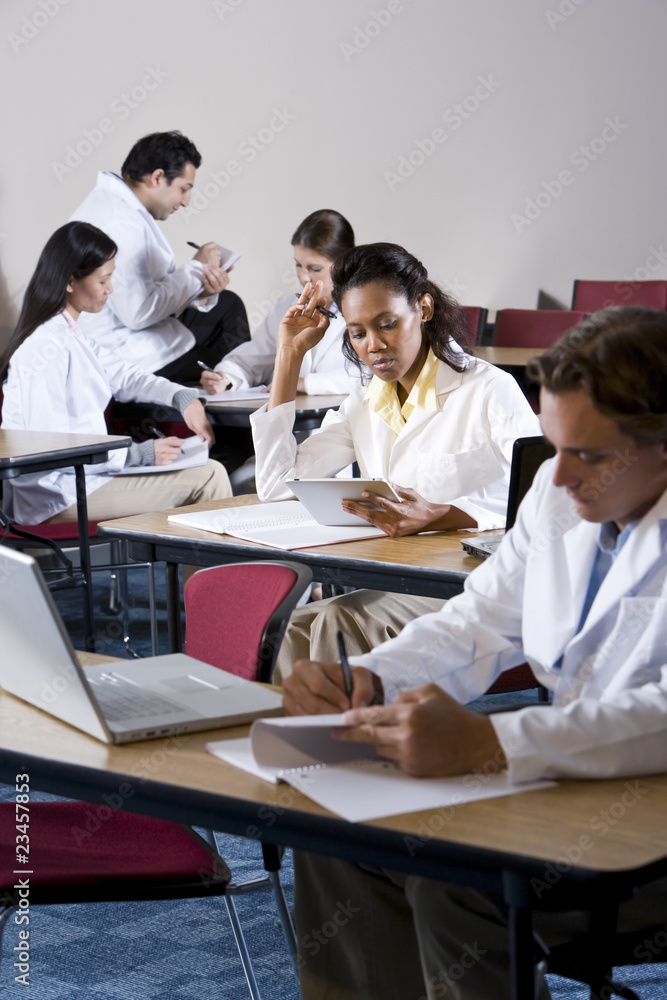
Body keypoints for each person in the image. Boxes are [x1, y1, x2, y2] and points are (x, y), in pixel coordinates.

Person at [284, 306, 667, 1000]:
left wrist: (490, 744)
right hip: (580, 779)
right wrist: (369, 678)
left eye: (589, 454)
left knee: (454, 877)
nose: (558, 477)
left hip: (651, 824)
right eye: (555, 447)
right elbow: (477, 621)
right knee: (333, 826)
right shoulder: (560, 500)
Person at [251, 243, 540, 678]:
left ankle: (357, 743)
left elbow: (544, 500)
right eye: (357, 332)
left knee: (336, 620)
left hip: (481, 588)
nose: (374, 346)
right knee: (293, 626)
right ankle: (301, 743)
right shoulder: (364, 401)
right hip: (398, 580)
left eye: (387, 324)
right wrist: (289, 357)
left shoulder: (488, 389)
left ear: (423, 308)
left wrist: (446, 515)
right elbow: (276, 486)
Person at [0, 222, 231, 525]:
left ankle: (207, 573)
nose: (111, 290)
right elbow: (49, 447)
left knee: (208, 472)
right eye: (104, 280)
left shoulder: (71, 334)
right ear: (71, 281)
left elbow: (125, 375)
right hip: (57, 496)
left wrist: (181, 396)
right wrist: (137, 455)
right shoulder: (46, 347)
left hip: (83, 479)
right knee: (209, 477)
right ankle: (223, 575)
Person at [70, 131, 250, 380]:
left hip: (135, 329)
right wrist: (196, 269)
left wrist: (203, 289)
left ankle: (229, 391)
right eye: (184, 189)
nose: (186, 201)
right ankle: (227, 397)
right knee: (234, 374)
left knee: (228, 305)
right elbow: (139, 312)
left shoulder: (117, 206)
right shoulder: (119, 224)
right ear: (157, 177)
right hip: (126, 354)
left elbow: (145, 291)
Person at [199, 209, 358, 396]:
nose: (303, 277)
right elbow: (249, 360)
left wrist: (304, 383)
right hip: (297, 421)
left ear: (345, 262)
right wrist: (225, 378)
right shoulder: (287, 307)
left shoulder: (365, 309)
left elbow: (375, 375)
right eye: (298, 264)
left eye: (315, 268)